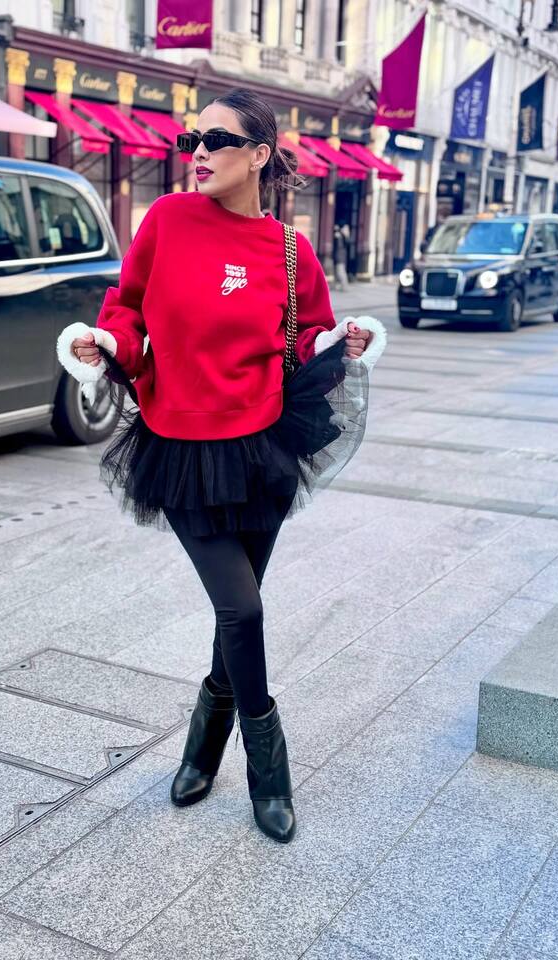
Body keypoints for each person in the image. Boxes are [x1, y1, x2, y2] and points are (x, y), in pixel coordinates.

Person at [56, 88, 383, 844]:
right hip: (178, 445)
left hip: (264, 444)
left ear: (260, 156)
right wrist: (104, 345)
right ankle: (271, 768)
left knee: (236, 616)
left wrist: (346, 344)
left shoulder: (292, 253)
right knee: (243, 610)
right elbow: (128, 310)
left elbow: (307, 343)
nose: (197, 151)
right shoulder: (166, 221)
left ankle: (203, 747)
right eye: (190, 139)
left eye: (216, 139)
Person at [333, 223, 349, 292]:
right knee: (337, 272)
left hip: (340, 257)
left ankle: (344, 286)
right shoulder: (341, 236)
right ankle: (338, 286)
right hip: (338, 256)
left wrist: (339, 234)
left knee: (340, 272)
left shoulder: (342, 237)